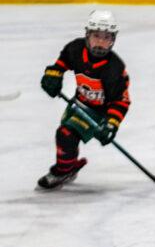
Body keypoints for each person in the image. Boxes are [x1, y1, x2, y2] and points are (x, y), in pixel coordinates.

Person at [37, 10, 130, 191]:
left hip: (101, 113)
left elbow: (121, 102)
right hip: (79, 104)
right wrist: (53, 76)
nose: (100, 43)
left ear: (113, 39)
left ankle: (63, 170)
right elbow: (61, 64)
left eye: (106, 37)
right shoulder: (76, 49)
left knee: (66, 134)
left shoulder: (114, 69)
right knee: (67, 136)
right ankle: (69, 165)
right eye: (96, 36)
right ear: (87, 34)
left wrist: (111, 124)